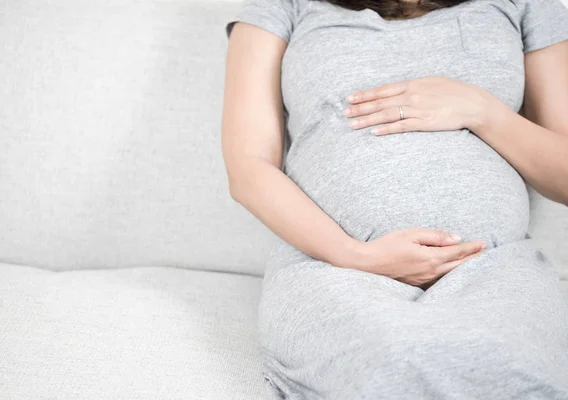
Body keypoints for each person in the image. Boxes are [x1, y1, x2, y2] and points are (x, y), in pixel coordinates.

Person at [221, 0, 568, 398]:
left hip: (496, 265)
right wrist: (357, 255)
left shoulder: (527, 4)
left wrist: (483, 111)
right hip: (332, 265)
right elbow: (247, 169)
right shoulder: (284, 5)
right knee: (391, 361)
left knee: (503, 363)